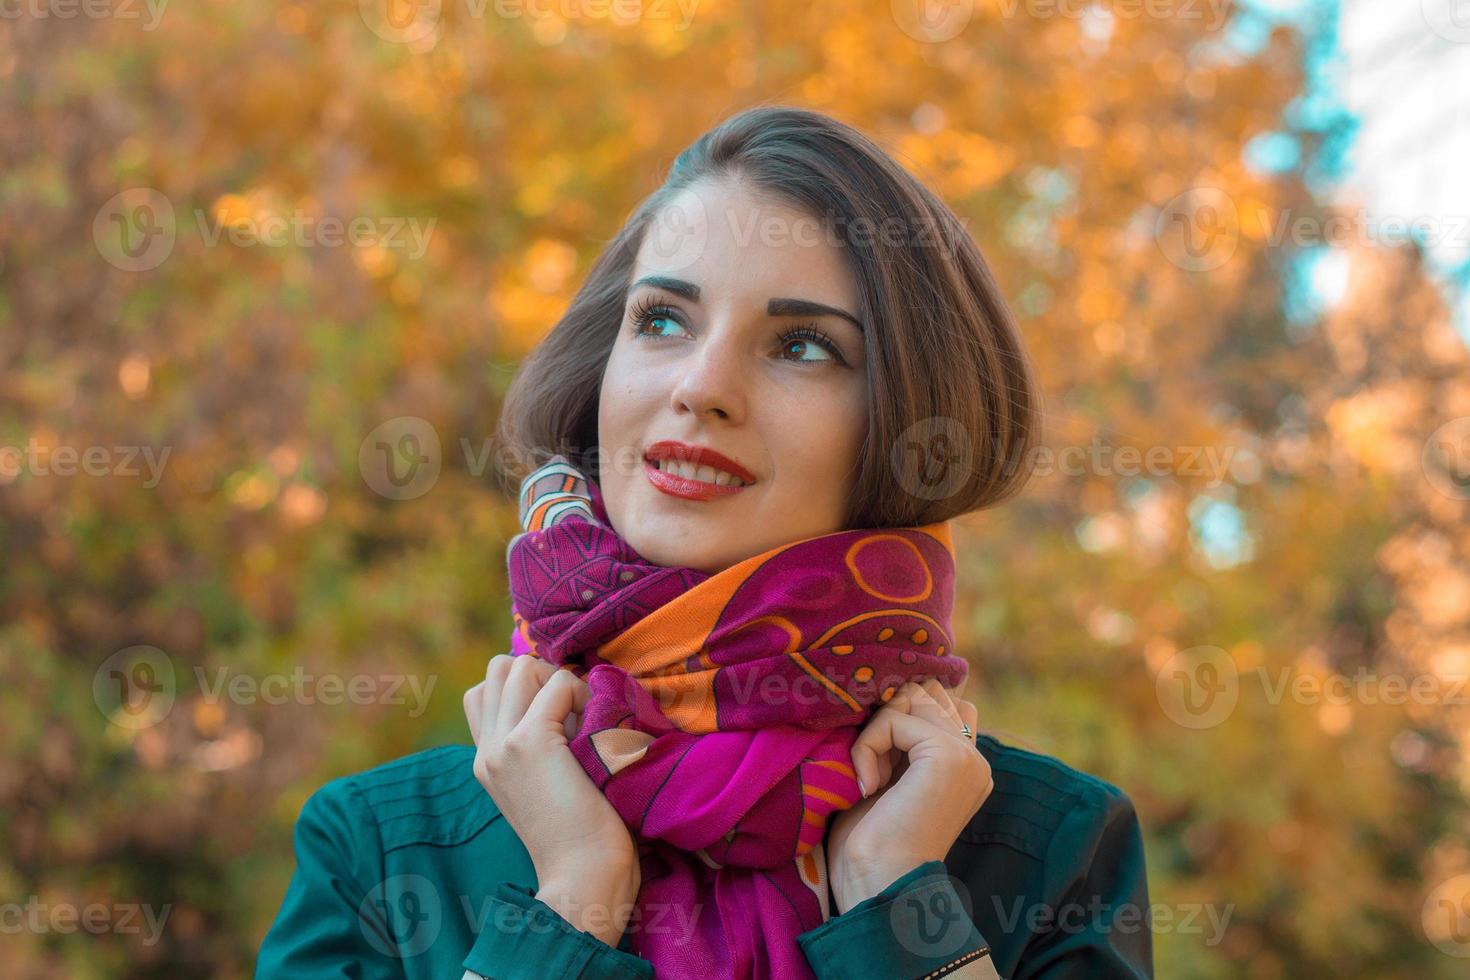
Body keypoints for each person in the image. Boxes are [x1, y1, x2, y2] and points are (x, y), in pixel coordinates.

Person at [255, 105, 1153, 980]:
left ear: (906, 423)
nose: (701, 385)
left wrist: (897, 903)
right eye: (662, 320)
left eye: (802, 345)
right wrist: (570, 904)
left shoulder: (1051, 849)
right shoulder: (377, 843)